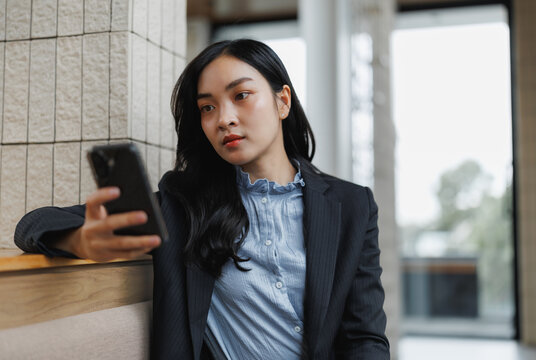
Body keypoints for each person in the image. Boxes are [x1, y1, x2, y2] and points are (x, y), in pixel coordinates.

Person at [15, 39, 389, 359]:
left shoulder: (352, 207)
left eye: (241, 96)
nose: (224, 118)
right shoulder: (182, 206)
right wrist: (79, 239)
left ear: (282, 102)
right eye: (207, 107)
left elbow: (364, 337)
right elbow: (35, 223)